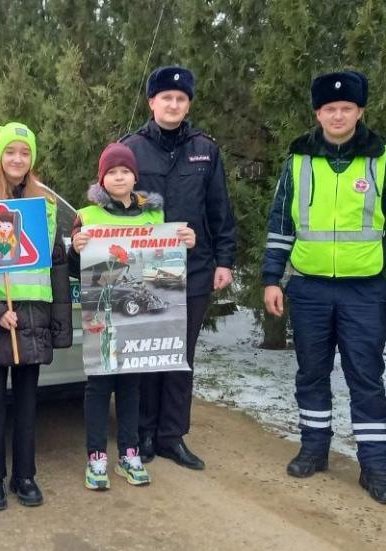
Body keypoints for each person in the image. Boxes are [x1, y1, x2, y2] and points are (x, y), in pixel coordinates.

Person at [261, 71, 386, 505]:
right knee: (311, 372)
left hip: (364, 290)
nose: (337, 115)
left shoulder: (384, 159)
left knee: (366, 377)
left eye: (346, 108)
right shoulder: (298, 160)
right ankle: (314, 449)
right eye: (329, 109)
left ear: (360, 111)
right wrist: (271, 279)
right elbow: (280, 225)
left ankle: (375, 469)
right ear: (317, 113)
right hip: (308, 288)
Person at [121, 66, 237, 470]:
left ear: (188, 104)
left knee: (180, 356)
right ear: (151, 102)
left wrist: (226, 259)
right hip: (145, 268)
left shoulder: (205, 148)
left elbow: (219, 208)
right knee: (149, 353)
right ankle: (144, 433)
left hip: (195, 267)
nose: (173, 104)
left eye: (181, 99)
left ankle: (172, 436)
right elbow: (113, 205)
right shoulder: (130, 148)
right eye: (166, 97)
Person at [68, 142, 196, 490]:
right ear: (102, 179)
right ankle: (96, 456)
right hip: (104, 315)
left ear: (134, 177)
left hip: (138, 320)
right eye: (112, 172)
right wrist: (75, 249)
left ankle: (129, 451)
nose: (119, 177)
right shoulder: (88, 215)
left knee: (131, 385)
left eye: (125, 171)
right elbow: (74, 268)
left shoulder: (153, 215)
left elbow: (163, 263)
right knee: (98, 386)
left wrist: (183, 240)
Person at [0, 122, 73, 510]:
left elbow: (57, 267)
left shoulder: (45, 205)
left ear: (32, 159)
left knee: (27, 406)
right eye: (11, 152)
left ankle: (25, 476)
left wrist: (57, 326)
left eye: (25, 153)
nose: (17, 159)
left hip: (33, 319)